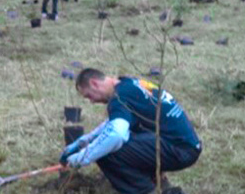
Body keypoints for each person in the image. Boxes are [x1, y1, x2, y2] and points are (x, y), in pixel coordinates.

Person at [59, 68, 201, 194]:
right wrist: (81, 143)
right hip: (185, 145)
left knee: (106, 151)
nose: (91, 101)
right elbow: (112, 125)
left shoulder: (119, 98)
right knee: (121, 140)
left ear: (94, 83)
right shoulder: (129, 84)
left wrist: (81, 159)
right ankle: (161, 186)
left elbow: (115, 135)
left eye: (89, 96)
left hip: (179, 150)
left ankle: (147, 190)